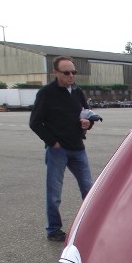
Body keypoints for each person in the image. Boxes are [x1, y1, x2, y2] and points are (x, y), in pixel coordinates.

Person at [29, 56, 97, 242]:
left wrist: (87, 124)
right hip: (58, 150)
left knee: (88, 188)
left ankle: (93, 224)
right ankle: (53, 229)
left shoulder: (77, 92)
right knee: (54, 193)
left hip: (77, 148)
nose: (71, 75)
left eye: (73, 72)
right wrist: (53, 142)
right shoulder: (46, 93)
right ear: (56, 73)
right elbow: (35, 123)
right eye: (66, 72)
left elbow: (87, 115)